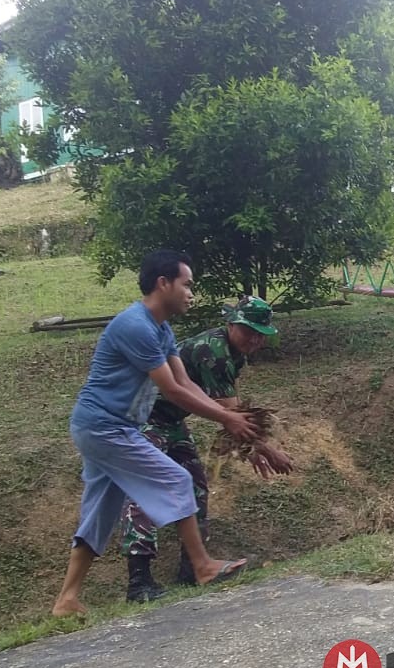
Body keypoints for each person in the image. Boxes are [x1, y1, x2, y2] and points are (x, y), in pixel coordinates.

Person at [52, 251, 259, 617]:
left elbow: (186, 383)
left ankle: (67, 600)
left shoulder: (161, 329)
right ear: (163, 283)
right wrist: (227, 419)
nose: (191, 293)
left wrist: (227, 416)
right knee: (177, 480)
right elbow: (173, 392)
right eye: (187, 284)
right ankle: (203, 566)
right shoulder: (136, 326)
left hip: (105, 428)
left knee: (101, 510)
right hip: (105, 427)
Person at [118, 296, 295, 602]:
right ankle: (139, 583)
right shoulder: (214, 351)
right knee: (144, 489)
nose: (254, 339)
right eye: (248, 331)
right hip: (140, 417)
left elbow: (232, 415)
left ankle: (192, 568)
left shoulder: (233, 352)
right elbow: (232, 418)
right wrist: (267, 451)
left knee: (194, 484)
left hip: (170, 420)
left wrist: (252, 447)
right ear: (231, 324)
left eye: (260, 334)